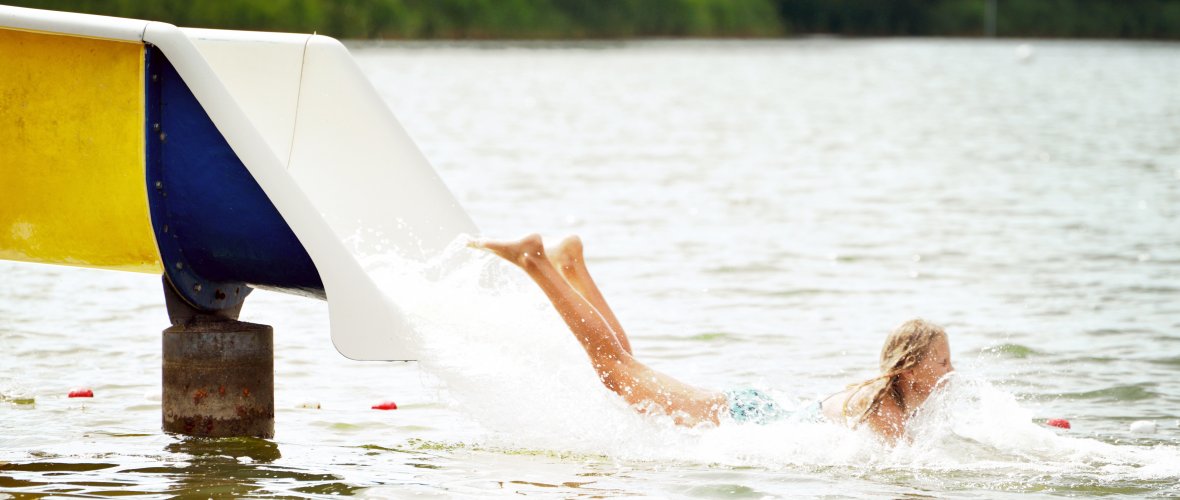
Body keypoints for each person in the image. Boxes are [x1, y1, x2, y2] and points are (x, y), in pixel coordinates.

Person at [471, 234, 954, 442]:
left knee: (623, 370)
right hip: (739, 418)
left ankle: (572, 265)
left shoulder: (890, 398)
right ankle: (534, 260)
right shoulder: (884, 407)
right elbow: (907, 471)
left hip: (755, 412)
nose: (950, 372)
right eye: (942, 363)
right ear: (910, 368)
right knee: (616, 372)